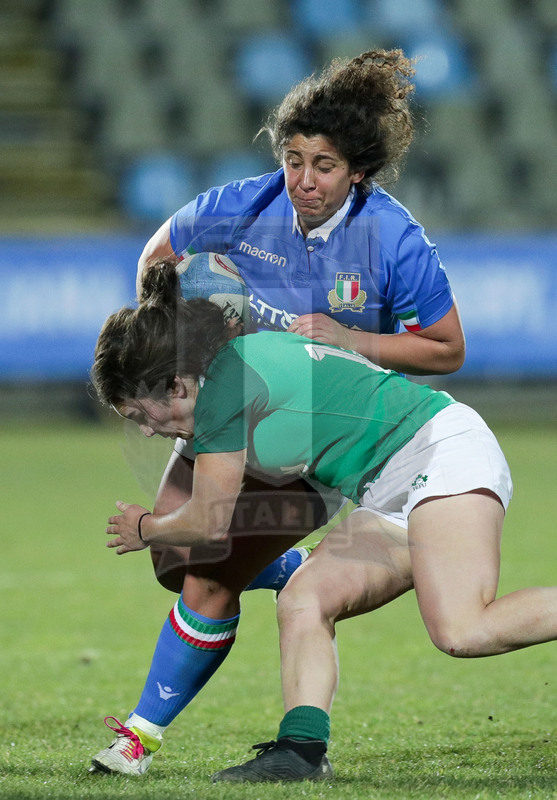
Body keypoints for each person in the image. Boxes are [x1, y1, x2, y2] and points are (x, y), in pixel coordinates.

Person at [90, 47, 466, 776]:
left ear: (356, 169)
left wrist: (354, 338)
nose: (302, 181)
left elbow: (445, 348)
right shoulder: (241, 207)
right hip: (229, 410)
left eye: (322, 166)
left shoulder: (392, 239)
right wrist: (178, 334)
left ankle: (138, 738)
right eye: (293, 160)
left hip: (316, 426)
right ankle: (288, 564)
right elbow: (156, 257)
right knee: (174, 558)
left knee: (207, 573)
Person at [92, 269, 556, 786]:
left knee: (464, 630)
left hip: (440, 450)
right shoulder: (225, 378)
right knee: (302, 598)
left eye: (141, 411)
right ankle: (301, 754)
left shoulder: (225, 391)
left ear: (176, 384)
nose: (145, 429)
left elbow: (209, 520)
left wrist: (145, 528)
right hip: (385, 486)